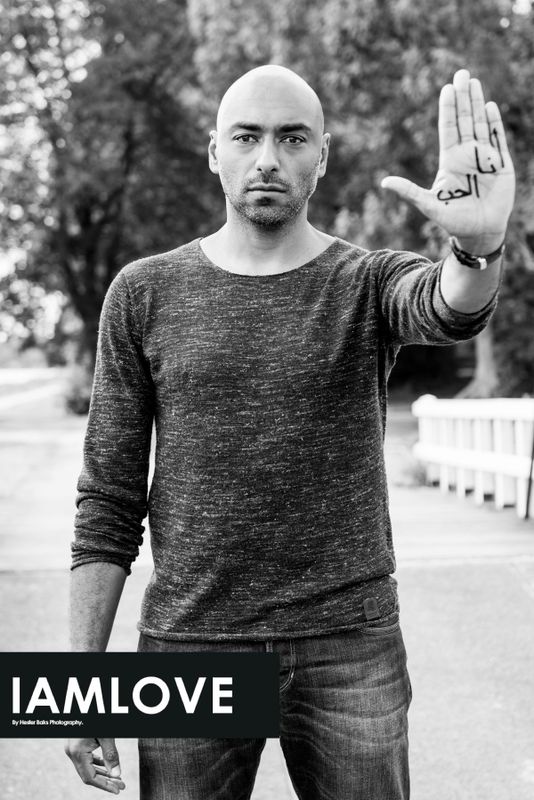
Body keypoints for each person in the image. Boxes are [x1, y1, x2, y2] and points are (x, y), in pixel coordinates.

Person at [65, 64, 515, 799]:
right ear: (215, 150)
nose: (268, 158)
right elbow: (108, 501)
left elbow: (448, 306)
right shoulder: (143, 293)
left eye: (292, 138)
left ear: (323, 155)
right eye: (247, 137)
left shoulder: (366, 281)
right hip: (191, 644)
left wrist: (478, 249)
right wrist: (80, 690)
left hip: (348, 643)